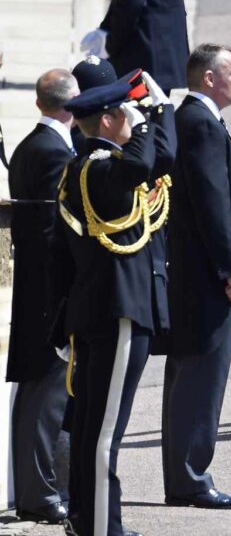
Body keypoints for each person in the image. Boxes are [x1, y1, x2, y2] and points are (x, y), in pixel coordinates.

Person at [50, 72, 171, 536]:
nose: (131, 122)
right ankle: (102, 528)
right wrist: (147, 124)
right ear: (108, 119)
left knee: (91, 429)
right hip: (117, 313)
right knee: (102, 435)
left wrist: (158, 117)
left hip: (96, 311)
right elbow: (142, 166)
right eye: (125, 114)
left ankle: (91, 521)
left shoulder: (85, 168)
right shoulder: (101, 171)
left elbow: (162, 160)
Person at [162, 43, 231, 509]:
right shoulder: (200, 123)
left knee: (192, 378)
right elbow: (211, 203)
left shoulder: (197, 119)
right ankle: (190, 478)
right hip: (207, 278)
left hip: (197, 275)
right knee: (201, 379)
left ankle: (185, 475)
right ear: (209, 78)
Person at [6, 68, 79, 525]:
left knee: (44, 391)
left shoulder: (33, 145)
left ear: (39, 103)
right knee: (46, 393)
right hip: (51, 295)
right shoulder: (53, 153)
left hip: (39, 291)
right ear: (72, 107)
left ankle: (45, 488)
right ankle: (40, 493)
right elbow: (58, 234)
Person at [81, 0, 189, 94]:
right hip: (153, 50)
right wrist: (104, 29)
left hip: (146, 55)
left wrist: (109, 44)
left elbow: (131, 1)